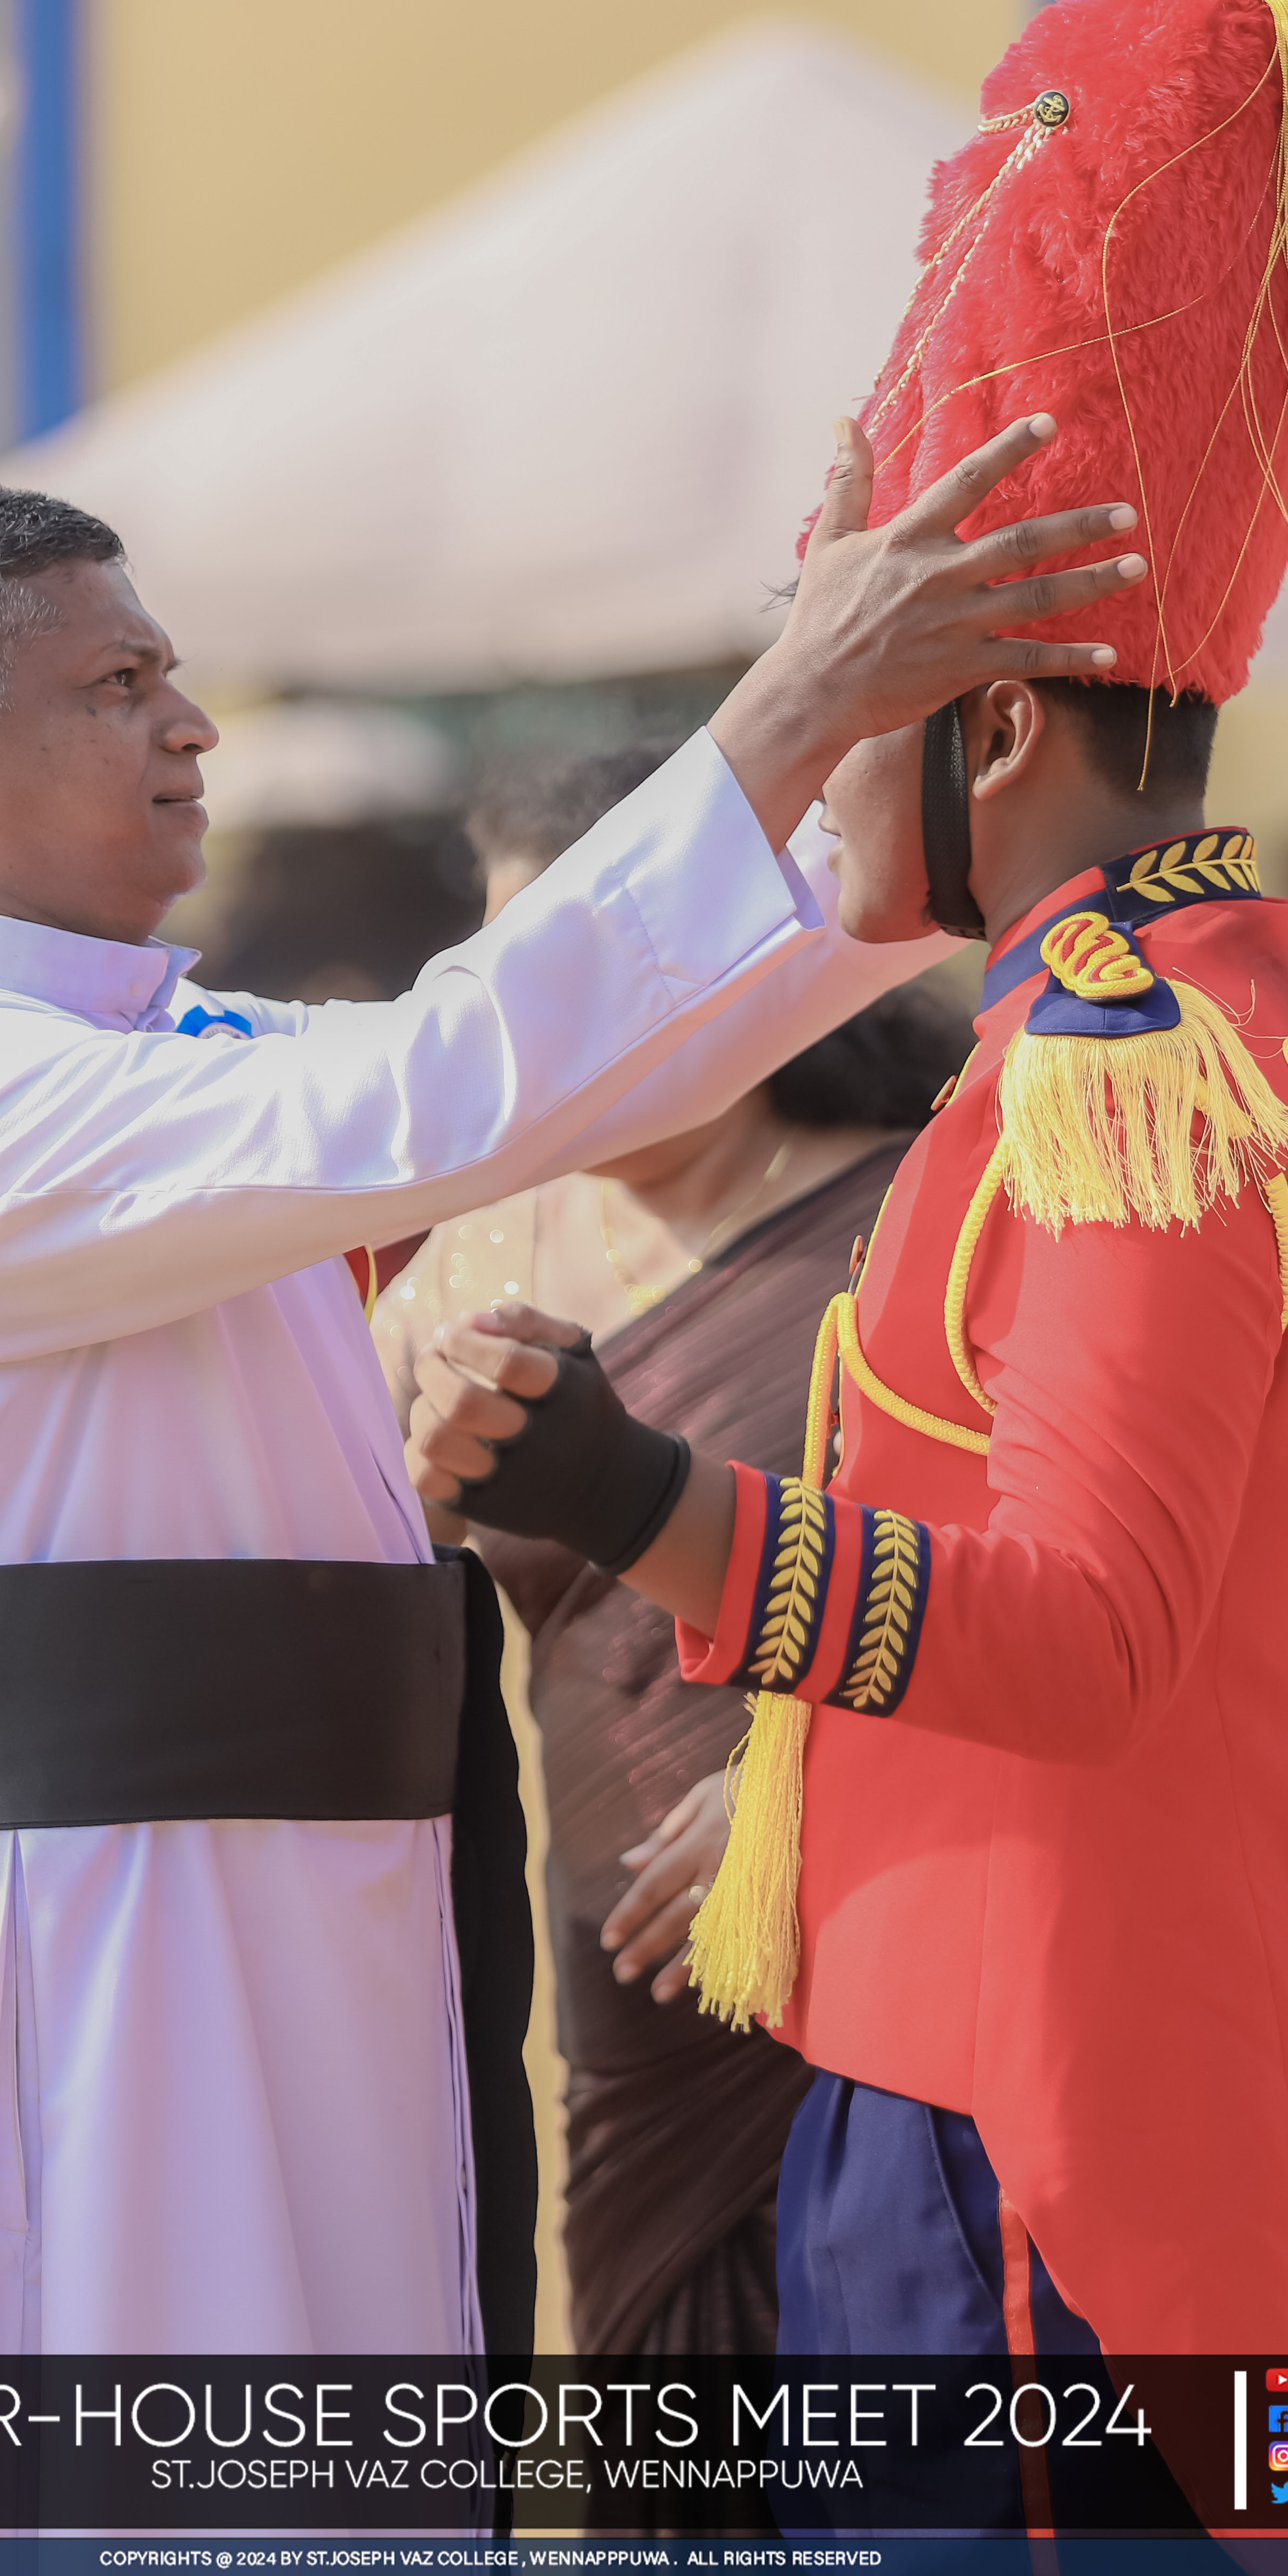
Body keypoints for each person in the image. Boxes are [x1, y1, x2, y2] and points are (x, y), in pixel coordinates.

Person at [0, 432, 1147, 2357]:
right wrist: (809, 690)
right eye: (116, 686)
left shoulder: (163, 1046)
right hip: (95, 1952)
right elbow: (445, 1081)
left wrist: (916, 828)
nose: (191, 728)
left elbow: (600, 1064)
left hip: (334, 1906)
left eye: (167, 674)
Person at [407, 0, 1288, 2371]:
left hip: (1059, 2171)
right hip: (1098, 2095)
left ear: (986, 725)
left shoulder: (1120, 1062)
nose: (790, 751)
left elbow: (1087, 1633)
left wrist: (633, 1484)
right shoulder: (1196, 1015)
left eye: (841, 670)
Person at [379, 744, 961, 2396]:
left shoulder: (923, 1215)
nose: (543, 1022)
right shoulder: (466, 1249)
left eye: (578, 963)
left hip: (895, 1927)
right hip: (624, 1984)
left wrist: (818, 1791)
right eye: (510, 974)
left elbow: (1043, 1587)